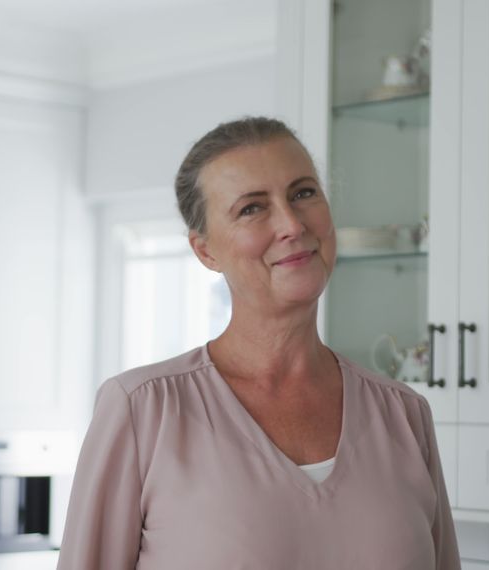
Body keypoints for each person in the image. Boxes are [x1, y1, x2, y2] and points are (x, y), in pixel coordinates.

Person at [57, 117, 460, 569]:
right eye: (252, 208)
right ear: (206, 251)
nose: (291, 223)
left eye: (304, 193)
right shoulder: (142, 411)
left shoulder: (404, 415)